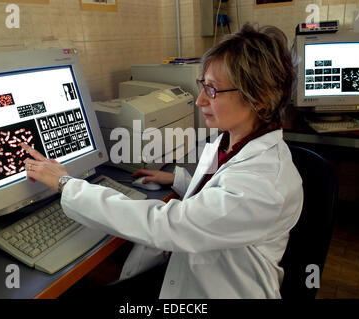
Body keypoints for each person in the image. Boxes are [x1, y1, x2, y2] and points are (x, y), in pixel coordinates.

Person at [21, 23, 303, 299]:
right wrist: (179, 180)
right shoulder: (233, 139)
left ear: (260, 98)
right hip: (192, 271)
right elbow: (220, 193)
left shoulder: (264, 183)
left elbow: (166, 225)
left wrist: (65, 183)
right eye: (202, 85)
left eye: (213, 90)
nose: (199, 100)